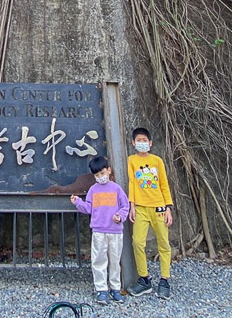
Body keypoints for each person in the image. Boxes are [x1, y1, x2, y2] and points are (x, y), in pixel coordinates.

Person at [71, 155, 130, 305]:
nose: (100, 177)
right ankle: (101, 290)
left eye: (102, 173)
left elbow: (125, 206)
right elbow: (89, 208)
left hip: (115, 231)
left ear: (109, 170)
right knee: (99, 261)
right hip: (98, 231)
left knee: (115, 261)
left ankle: (115, 289)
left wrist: (120, 216)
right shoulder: (93, 190)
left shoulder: (117, 189)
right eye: (97, 175)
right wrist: (78, 202)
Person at [126, 126, 174, 299]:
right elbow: (131, 182)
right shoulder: (131, 160)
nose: (141, 143)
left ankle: (165, 280)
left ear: (150, 143)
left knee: (164, 243)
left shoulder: (157, 161)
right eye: (138, 141)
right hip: (140, 207)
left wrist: (169, 207)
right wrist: (131, 205)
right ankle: (144, 279)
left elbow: (163, 184)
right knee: (138, 242)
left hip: (159, 207)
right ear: (133, 143)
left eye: (144, 141)